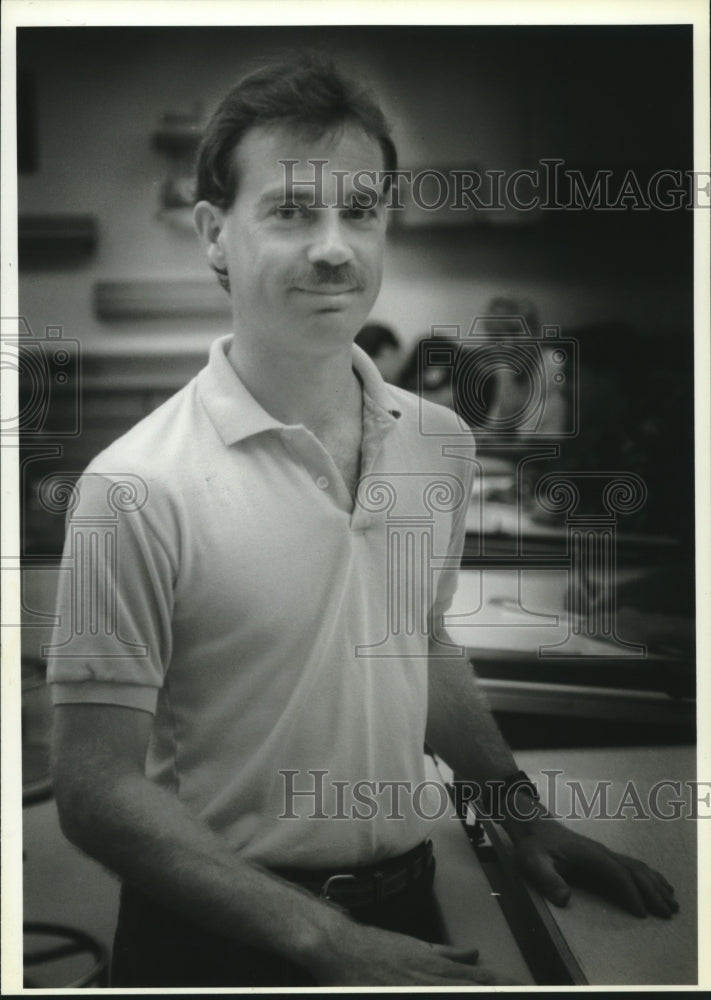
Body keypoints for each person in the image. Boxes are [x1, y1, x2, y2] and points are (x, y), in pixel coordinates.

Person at [48, 56, 678, 988]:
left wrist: (516, 806)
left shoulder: (438, 442)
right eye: (292, 211)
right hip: (214, 939)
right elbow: (96, 790)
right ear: (215, 234)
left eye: (362, 210)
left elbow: (416, 644)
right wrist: (323, 941)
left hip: (406, 904)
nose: (335, 247)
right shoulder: (133, 485)